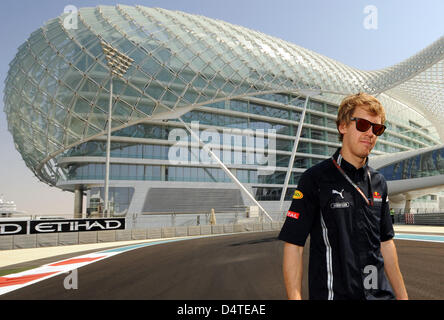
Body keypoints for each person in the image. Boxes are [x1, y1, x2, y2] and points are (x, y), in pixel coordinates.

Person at [279, 92, 408, 300]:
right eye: (363, 125)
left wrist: (403, 298)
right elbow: (294, 246)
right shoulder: (314, 179)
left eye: (377, 129)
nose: (371, 134)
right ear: (343, 126)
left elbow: (386, 243)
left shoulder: (379, 183)